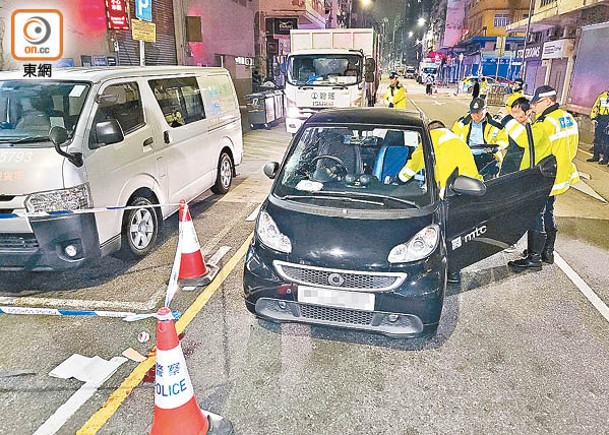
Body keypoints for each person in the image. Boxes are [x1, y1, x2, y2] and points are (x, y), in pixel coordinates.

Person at [502, 85, 579, 271]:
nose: (533, 107)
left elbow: (523, 138)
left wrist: (506, 119)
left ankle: (533, 258)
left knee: (537, 214)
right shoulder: (567, 118)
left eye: (536, 103)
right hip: (561, 174)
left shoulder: (547, 124)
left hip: (546, 176)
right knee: (549, 212)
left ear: (547, 101)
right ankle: (547, 252)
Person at [398, 120, 482, 283]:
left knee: (440, 234)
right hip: (467, 193)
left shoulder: (429, 140)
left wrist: (397, 180)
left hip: (444, 195)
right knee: (457, 234)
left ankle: (438, 272)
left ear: (430, 131)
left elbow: (410, 169)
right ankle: (454, 272)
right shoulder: (459, 141)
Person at [452, 97, 508, 178]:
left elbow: (504, 140)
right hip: (467, 158)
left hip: (488, 158)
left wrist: (495, 147)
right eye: (473, 113)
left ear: (486, 110)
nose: (476, 116)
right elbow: (453, 139)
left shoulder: (496, 125)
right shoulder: (461, 124)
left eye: (479, 113)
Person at [589, 86, 609, 164]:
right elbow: (596, 107)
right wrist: (593, 118)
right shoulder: (602, 96)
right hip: (600, 119)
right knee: (597, 139)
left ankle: (605, 159)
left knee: (606, 141)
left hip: (607, 120)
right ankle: (595, 156)